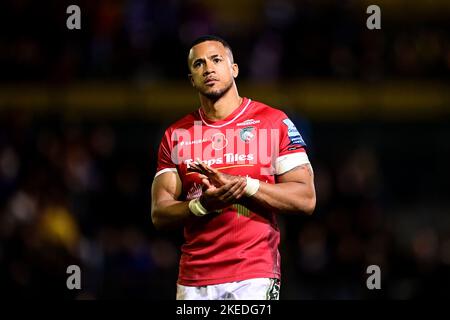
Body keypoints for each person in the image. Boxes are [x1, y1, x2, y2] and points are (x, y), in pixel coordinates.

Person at [151, 35, 316, 300]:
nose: (208, 69)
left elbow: (306, 198)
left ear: (234, 68)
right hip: (194, 279)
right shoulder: (177, 134)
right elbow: (159, 212)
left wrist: (244, 186)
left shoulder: (273, 122)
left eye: (216, 60)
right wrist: (202, 204)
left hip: (253, 274)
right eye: (199, 64)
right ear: (192, 78)